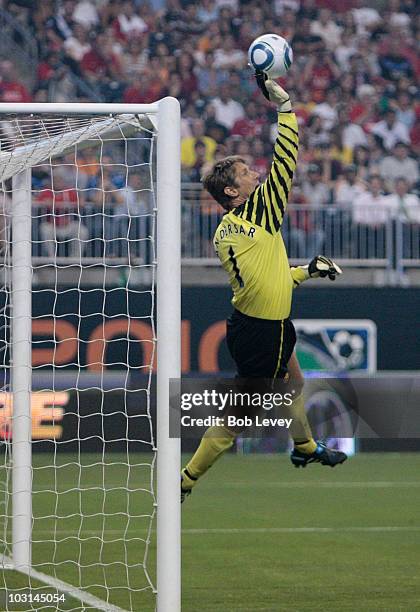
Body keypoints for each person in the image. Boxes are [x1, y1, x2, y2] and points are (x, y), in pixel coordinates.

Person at [181, 74, 347, 503]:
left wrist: (306, 270)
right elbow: (286, 162)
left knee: (294, 377)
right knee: (241, 416)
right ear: (233, 191)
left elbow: (271, 279)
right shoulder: (255, 214)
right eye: (245, 173)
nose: (256, 174)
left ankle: (305, 446)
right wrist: (286, 108)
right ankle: (185, 478)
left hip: (259, 321)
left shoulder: (234, 227)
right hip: (261, 330)